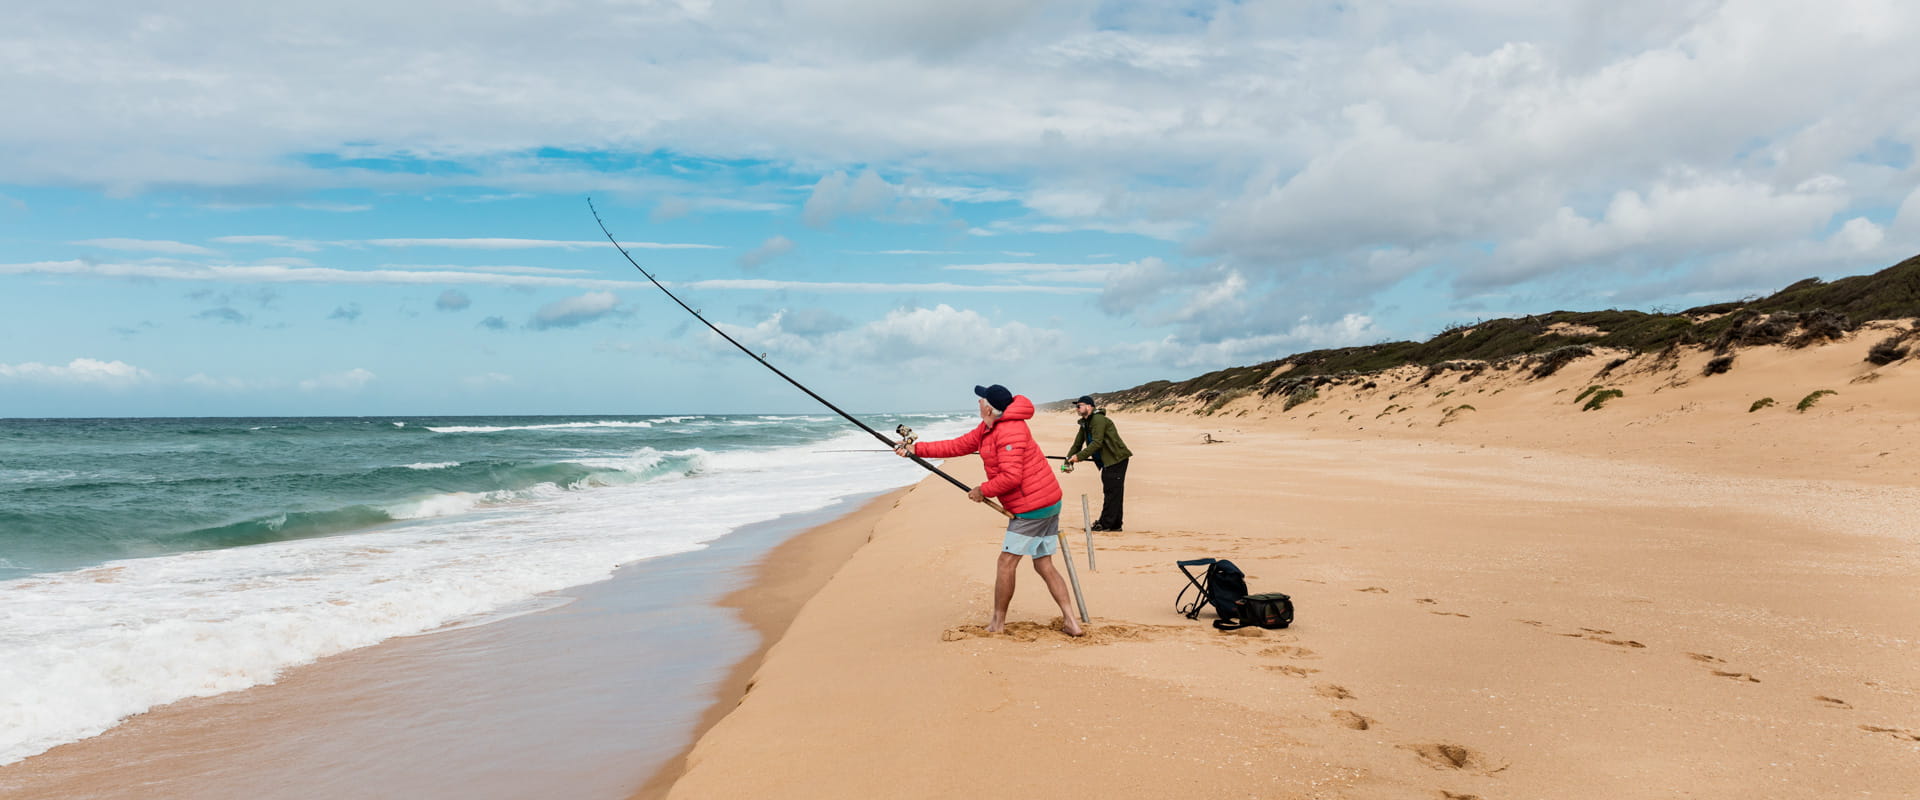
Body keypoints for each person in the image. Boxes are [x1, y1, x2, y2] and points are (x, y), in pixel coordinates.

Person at [895, 384, 1084, 636]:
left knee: (1006, 564)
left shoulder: (1009, 431)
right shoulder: (989, 427)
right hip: (1046, 501)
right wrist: (916, 449)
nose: (978, 402)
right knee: (1043, 564)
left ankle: (997, 623)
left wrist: (982, 490)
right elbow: (958, 445)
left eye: (981, 399)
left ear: (990, 407)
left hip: (1033, 507)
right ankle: (1071, 621)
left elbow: (1012, 477)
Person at [1065, 394, 1132, 531]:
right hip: (1107, 462)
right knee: (1114, 492)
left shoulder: (1098, 419)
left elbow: (1097, 443)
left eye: (1080, 406)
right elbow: (1077, 444)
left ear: (1089, 406)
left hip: (1116, 459)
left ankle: (1106, 524)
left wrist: (1079, 457)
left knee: (1111, 492)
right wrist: (1068, 460)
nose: (1077, 408)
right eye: (1076, 406)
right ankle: (1115, 524)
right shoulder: (1085, 423)